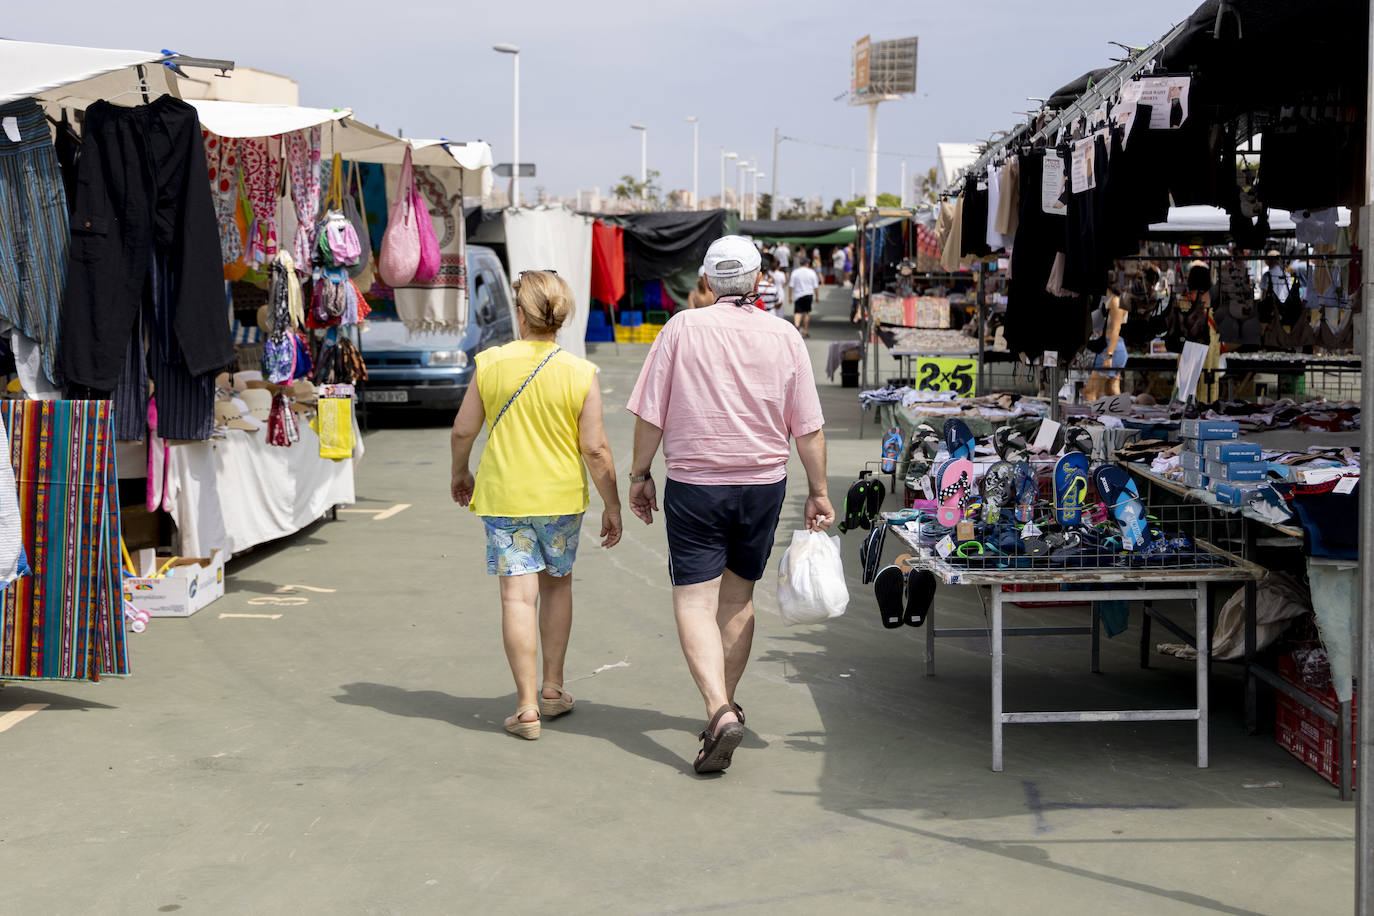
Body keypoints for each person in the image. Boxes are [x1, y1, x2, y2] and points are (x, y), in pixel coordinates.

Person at [625, 235, 833, 774]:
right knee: (738, 599)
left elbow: (651, 414)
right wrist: (818, 490)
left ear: (708, 281)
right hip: (763, 486)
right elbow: (807, 428)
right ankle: (727, 705)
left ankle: (718, 709)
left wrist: (641, 474)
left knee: (695, 600)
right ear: (760, 279)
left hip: (695, 485)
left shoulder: (680, 329)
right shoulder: (785, 336)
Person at [449, 270, 623, 741]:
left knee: (516, 599)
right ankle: (552, 688)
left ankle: (525, 708)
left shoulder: (490, 364)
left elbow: (464, 430)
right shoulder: (580, 373)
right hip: (560, 500)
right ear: (561, 318)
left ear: (521, 314)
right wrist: (612, 504)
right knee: (557, 589)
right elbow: (596, 449)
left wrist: (460, 472)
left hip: (505, 499)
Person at [789, 257, 821, 337]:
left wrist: (790, 296)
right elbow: (816, 286)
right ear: (807, 264)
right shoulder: (812, 272)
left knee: (797, 312)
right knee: (806, 313)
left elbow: (791, 286)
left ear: (800, 263)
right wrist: (817, 296)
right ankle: (805, 331)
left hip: (798, 295)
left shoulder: (795, 272)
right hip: (809, 294)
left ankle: (797, 327)